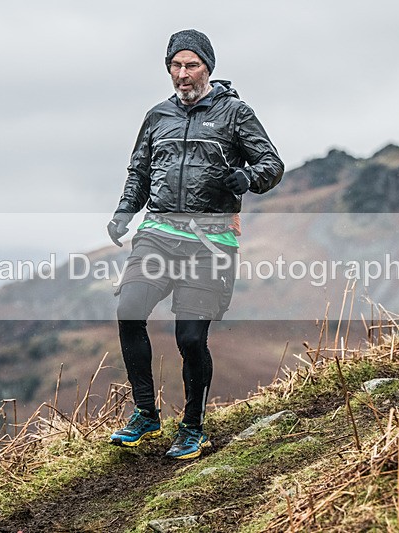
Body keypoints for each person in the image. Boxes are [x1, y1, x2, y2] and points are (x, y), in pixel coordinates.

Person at [106, 29, 284, 459]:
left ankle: (193, 427)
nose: (182, 74)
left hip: (210, 242)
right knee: (130, 311)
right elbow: (139, 171)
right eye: (175, 65)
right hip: (159, 233)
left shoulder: (235, 113)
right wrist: (124, 212)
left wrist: (248, 177)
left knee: (189, 337)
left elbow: (271, 163)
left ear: (208, 67)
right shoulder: (157, 116)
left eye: (191, 65)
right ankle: (145, 414)